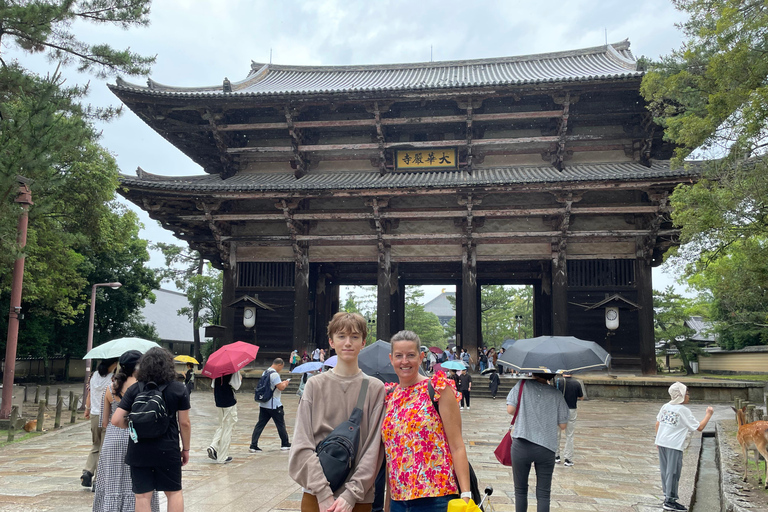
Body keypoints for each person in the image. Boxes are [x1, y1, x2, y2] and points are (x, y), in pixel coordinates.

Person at [289, 311, 386, 512]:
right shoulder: (314, 385)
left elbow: (373, 449)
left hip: (358, 499)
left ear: (363, 342)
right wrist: (323, 492)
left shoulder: (375, 388)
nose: (348, 343)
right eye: (341, 336)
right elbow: (301, 443)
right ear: (331, 342)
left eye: (355, 337)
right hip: (316, 495)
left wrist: (351, 495)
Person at [383, 330, 472, 512]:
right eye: (399, 356)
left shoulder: (437, 389)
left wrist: (466, 495)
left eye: (411, 355)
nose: (404, 361)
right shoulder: (390, 396)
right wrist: (387, 502)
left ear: (422, 356)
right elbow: (390, 455)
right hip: (399, 499)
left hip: (437, 496)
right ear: (391, 359)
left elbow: (457, 445)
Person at [111, 347, 191, 512]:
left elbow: (116, 420)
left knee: (142, 496)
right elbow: (184, 423)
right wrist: (186, 449)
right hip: (168, 449)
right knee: (174, 493)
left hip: (139, 449)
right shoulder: (178, 389)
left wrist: (133, 424)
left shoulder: (135, 389)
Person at [93, 350, 159, 512]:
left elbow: (104, 421)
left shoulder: (110, 388)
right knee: (137, 483)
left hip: (113, 438)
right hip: (137, 438)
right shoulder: (145, 387)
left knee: (113, 481)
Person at [506, 373, 569, 512]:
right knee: (544, 494)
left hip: (521, 444)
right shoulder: (556, 393)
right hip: (546, 448)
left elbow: (510, 409)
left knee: (520, 490)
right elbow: (563, 425)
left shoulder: (522, 385)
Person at [655, 382, 714, 512]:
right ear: (680, 395)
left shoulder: (665, 406)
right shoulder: (683, 410)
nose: (689, 396)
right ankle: (670, 501)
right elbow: (699, 427)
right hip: (674, 445)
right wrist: (709, 414)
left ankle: (667, 496)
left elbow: (658, 424)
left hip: (662, 442)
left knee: (666, 471)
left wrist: (658, 440)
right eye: (687, 393)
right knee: (673, 472)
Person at [82, 357, 118, 488]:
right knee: (104, 448)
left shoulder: (93, 376)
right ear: (113, 364)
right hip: (107, 416)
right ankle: (98, 480)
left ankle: (87, 471)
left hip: (94, 414)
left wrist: (87, 409)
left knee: (95, 445)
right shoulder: (113, 379)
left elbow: (89, 395)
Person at [249, 358, 292, 452]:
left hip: (264, 404)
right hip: (274, 404)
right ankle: (285, 444)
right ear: (279, 365)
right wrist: (285, 383)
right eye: (282, 367)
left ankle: (253, 445)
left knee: (260, 424)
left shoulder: (265, 372)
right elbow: (280, 388)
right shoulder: (275, 374)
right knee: (280, 424)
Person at [207, 370, 242, 464]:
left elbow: (213, 385)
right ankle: (222, 457)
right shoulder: (233, 370)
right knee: (228, 428)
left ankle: (213, 446)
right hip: (229, 401)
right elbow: (236, 385)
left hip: (218, 400)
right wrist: (240, 378)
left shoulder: (217, 369)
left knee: (222, 425)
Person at [553, 373, 584, 466]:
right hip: (571, 409)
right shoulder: (577, 383)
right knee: (569, 435)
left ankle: (556, 456)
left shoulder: (558, 382)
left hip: (559, 409)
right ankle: (568, 458)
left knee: (556, 433)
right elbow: (581, 397)